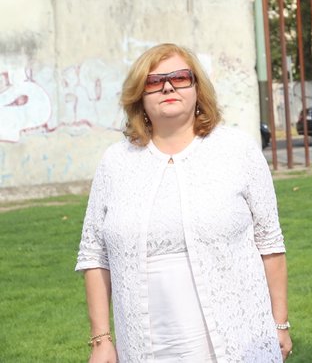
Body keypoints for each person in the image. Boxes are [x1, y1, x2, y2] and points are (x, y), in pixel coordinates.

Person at [76, 43, 292, 362]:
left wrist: (280, 323)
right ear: (139, 95)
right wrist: (101, 340)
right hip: (146, 343)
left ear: (196, 88)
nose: (167, 86)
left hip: (236, 337)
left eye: (179, 77)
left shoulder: (237, 150)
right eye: (154, 81)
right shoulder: (115, 162)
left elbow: (270, 243)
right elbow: (94, 255)